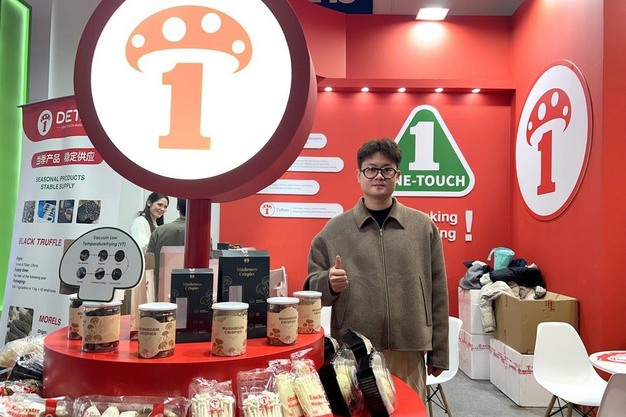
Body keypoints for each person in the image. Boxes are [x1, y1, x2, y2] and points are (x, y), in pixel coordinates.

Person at [304, 138, 449, 402]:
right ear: (358, 175)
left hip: (409, 348)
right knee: (359, 410)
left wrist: (440, 351)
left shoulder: (422, 227)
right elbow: (311, 290)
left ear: (397, 176)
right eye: (371, 169)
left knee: (408, 410)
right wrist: (328, 284)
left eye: (387, 169)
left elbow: (438, 292)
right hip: (354, 351)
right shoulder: (334, 231)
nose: (379, 176)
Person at [147, 197, 186, 298]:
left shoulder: (159, 231)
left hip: (160, 295)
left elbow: (149, 264)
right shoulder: (204, 235)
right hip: (193, 295)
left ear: (177, 206)